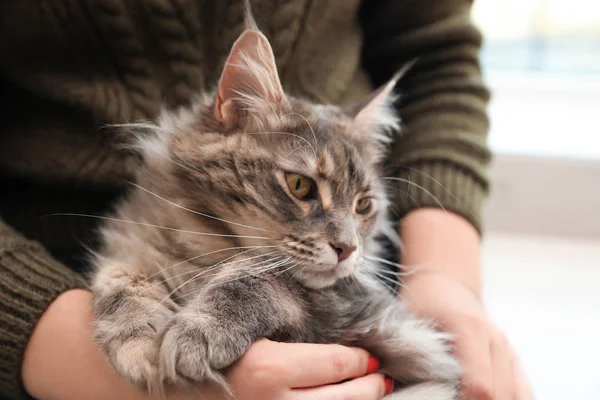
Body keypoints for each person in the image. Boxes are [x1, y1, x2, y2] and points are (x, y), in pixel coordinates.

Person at [0, 1, 533, 399]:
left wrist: (446, 278)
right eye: (303, 187)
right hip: (45, 297)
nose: (347, 242)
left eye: (361, 208)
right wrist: (77, 360)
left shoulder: (344, 249)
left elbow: (437, 61)